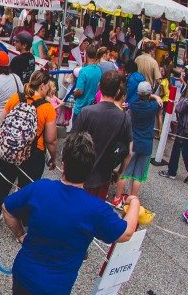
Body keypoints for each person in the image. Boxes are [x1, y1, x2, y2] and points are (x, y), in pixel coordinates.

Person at [0, 132, 139, 295]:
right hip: (55, 286)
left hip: (24, 269)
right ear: (90, 169)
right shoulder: (96, 209)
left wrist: (21, 235)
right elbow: (125, 233)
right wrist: (133, 204)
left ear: (63, 164)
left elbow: (8, 209)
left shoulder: (41, 188)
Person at [0, 70, 58, 224]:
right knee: (27, 188)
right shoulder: (47, 108)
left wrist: (1, 143)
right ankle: (23, 221)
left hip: (9, 148)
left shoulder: (16, 98)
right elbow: (51, 139)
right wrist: (53, 157)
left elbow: (2, 121)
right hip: (34, 153)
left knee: (2, 182)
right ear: (43, 86)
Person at [69, 70, 131, 200]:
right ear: (118, 92)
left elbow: (70, 144)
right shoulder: (125, 118)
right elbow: (128, 151)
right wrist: (120, 172)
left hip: (79, 174)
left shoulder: (87, 112)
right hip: (104, 176)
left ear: (99, 87)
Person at [113, 80, 161, 205]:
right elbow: (158, 103)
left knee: (125, 172)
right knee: (138, 176)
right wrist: (155, 96)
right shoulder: (153, 107)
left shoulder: (134, 105)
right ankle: (132, 200)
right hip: (147, 144)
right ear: (149, 94)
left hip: (133, 142)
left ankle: (117, 197)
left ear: (139, 94)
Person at [159, 60, 188, 183]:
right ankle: (172, 170)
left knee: (185, 146)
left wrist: (184, 106)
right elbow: (184, 96)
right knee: (177, 145)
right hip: (185, 118)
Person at [72, 45, 102, 123]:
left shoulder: (83, 71)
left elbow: (80, 91)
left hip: (81, 108)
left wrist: (75, 93)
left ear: (86, 54)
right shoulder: (99, 70)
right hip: (93, 108)